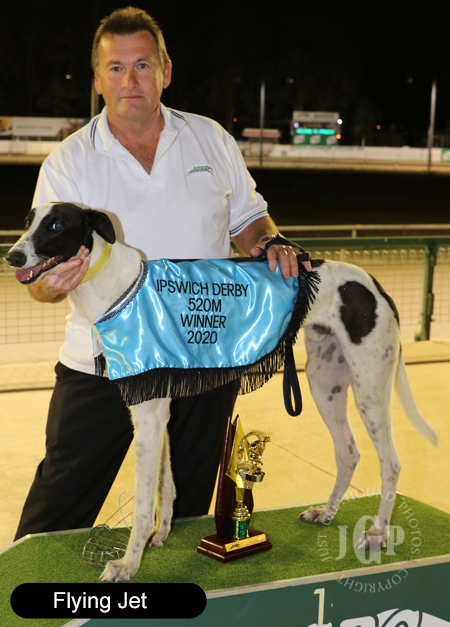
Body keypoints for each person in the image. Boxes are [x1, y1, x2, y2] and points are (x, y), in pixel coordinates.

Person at [14, 7, 311, 540]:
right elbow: (40, 280)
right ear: (98, 80)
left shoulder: (211, 139)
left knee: (185, 521)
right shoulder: (68, 163)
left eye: (143, 66)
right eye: (116, 68)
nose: (130, 80)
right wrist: (48, 286)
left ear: (166, 71)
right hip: (101, 367)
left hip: (200, 357)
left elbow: (249, 221)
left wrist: (270, 241)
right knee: (50, 525)